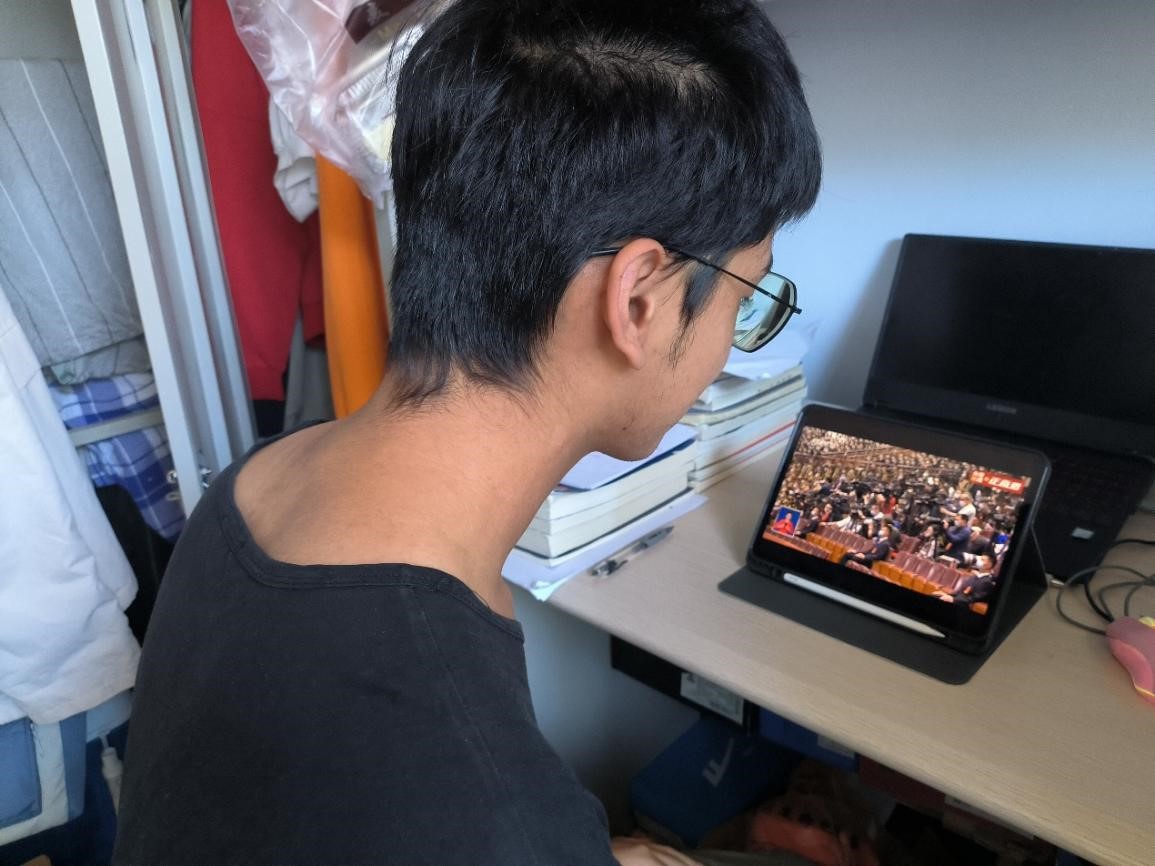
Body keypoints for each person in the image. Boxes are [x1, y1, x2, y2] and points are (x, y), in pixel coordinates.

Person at [111, 1, 821, 863]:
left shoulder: (258, 480)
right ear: (638, 299)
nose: (727, 343)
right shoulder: (490, 813)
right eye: (744, 298)